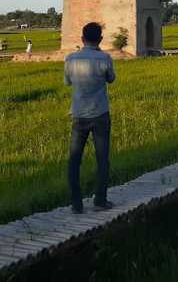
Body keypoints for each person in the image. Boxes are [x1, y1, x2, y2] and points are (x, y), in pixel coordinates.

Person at [64, 22, 116, 214]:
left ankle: (77, 204)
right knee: (102, 159)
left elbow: (67, 82)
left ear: (82, 38)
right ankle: (100, 201)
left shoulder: (70, 59)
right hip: (100, 114)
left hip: (79, 115)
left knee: (74, 159)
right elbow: (111, 79)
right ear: (100, 39)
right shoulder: (105, 59)